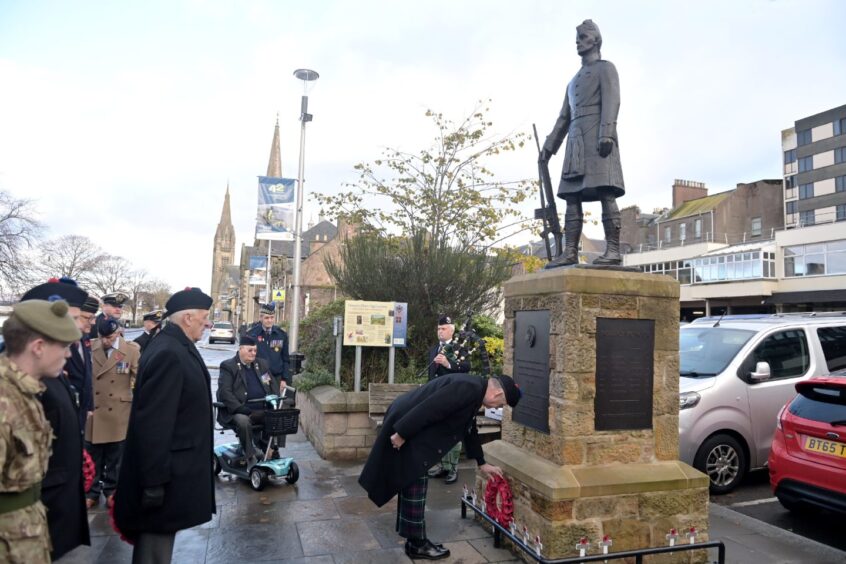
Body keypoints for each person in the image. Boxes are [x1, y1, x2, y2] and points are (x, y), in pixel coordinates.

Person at [359, 373, 522, 561]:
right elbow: (430, 408)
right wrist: (402, 433)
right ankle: (417, 544)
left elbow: (470, 429)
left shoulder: (475, 389)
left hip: (409, 425)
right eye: (502, 404)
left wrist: (481, 462)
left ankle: (415, 542)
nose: (498, 407)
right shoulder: (470, 388)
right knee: (414, 481)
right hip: (407, 425)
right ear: (498, 393)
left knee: (411, 480)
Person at [113, 287, 216, 564]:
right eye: (205, 317)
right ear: (187, 318)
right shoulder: (169, 352)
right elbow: (154, 425)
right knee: (154, 550)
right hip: (165, 475)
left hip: (172, 472)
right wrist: (153, 483)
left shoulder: (175, 345)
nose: (208, 323)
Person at [0, 299, 81, 563]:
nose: (69, 355)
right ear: (38, 347)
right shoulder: (4, 401)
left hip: (25, 542)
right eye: (64, 346)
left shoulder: (26, 391)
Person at [539, 19, 625, 267]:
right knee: (572, 197)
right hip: (576, 142)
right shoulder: (572, 82)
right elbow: (563, 118)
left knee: (605, 192)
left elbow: (613, 100)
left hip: (597, 135)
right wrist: (549, 146)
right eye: (577, 37)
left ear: (595, 40)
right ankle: (569, 252)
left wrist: (606, 132)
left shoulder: (606, 68)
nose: (578, 41)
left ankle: (613, 250)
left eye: (583, 37)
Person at [19, 280, 92, 560]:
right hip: (29, 518)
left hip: (51, 510)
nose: (77, 330)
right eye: (73, 319)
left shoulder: (48, 370)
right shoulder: (18, 378)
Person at [85, 316, 140, 509]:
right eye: (103, 337)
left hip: (118, 410)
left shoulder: (130, 350)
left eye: (109, 337)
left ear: (118, 334)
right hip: (95, 409)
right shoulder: (91, 347)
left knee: (116, 456)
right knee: (92, 455)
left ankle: (112, 490)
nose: (106, 341)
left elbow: (139, 378)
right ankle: (91, 491)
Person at [216, 334, 285, 465]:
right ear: (241, 349)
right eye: (250, 350)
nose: (253, 354)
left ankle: (269, 448)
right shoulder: (229, 366)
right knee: (243, 421)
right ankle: (250, 456)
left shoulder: (261, 364)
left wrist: (275, 400)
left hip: (261, 408)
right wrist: (240, 408)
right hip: (237, 411)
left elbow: (270, 384)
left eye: (255, 351)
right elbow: (225, 392)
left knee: (279, 416)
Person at [426, 315, 471, 485]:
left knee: (453, 433)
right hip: (436, 397)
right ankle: (442, 466)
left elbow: (467, 368)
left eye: (443, 328)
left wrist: (448, 363)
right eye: (438, 329)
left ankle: (453, 468)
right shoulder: (433, 349)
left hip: (453, 398)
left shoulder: (460, 348)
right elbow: (431, 375)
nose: (440, 331)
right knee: (438, 431)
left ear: (451, 330)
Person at [246, 303, 290, 385]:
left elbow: (285, 359)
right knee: (262, 397)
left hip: (276, 377)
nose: (269, 320)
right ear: (261, 318)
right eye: (266, 318)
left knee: (274, 398)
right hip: (258, 376)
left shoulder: (281, 335)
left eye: (272, 317)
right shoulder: (252, 334)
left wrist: (284, 379)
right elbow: (246, 358)